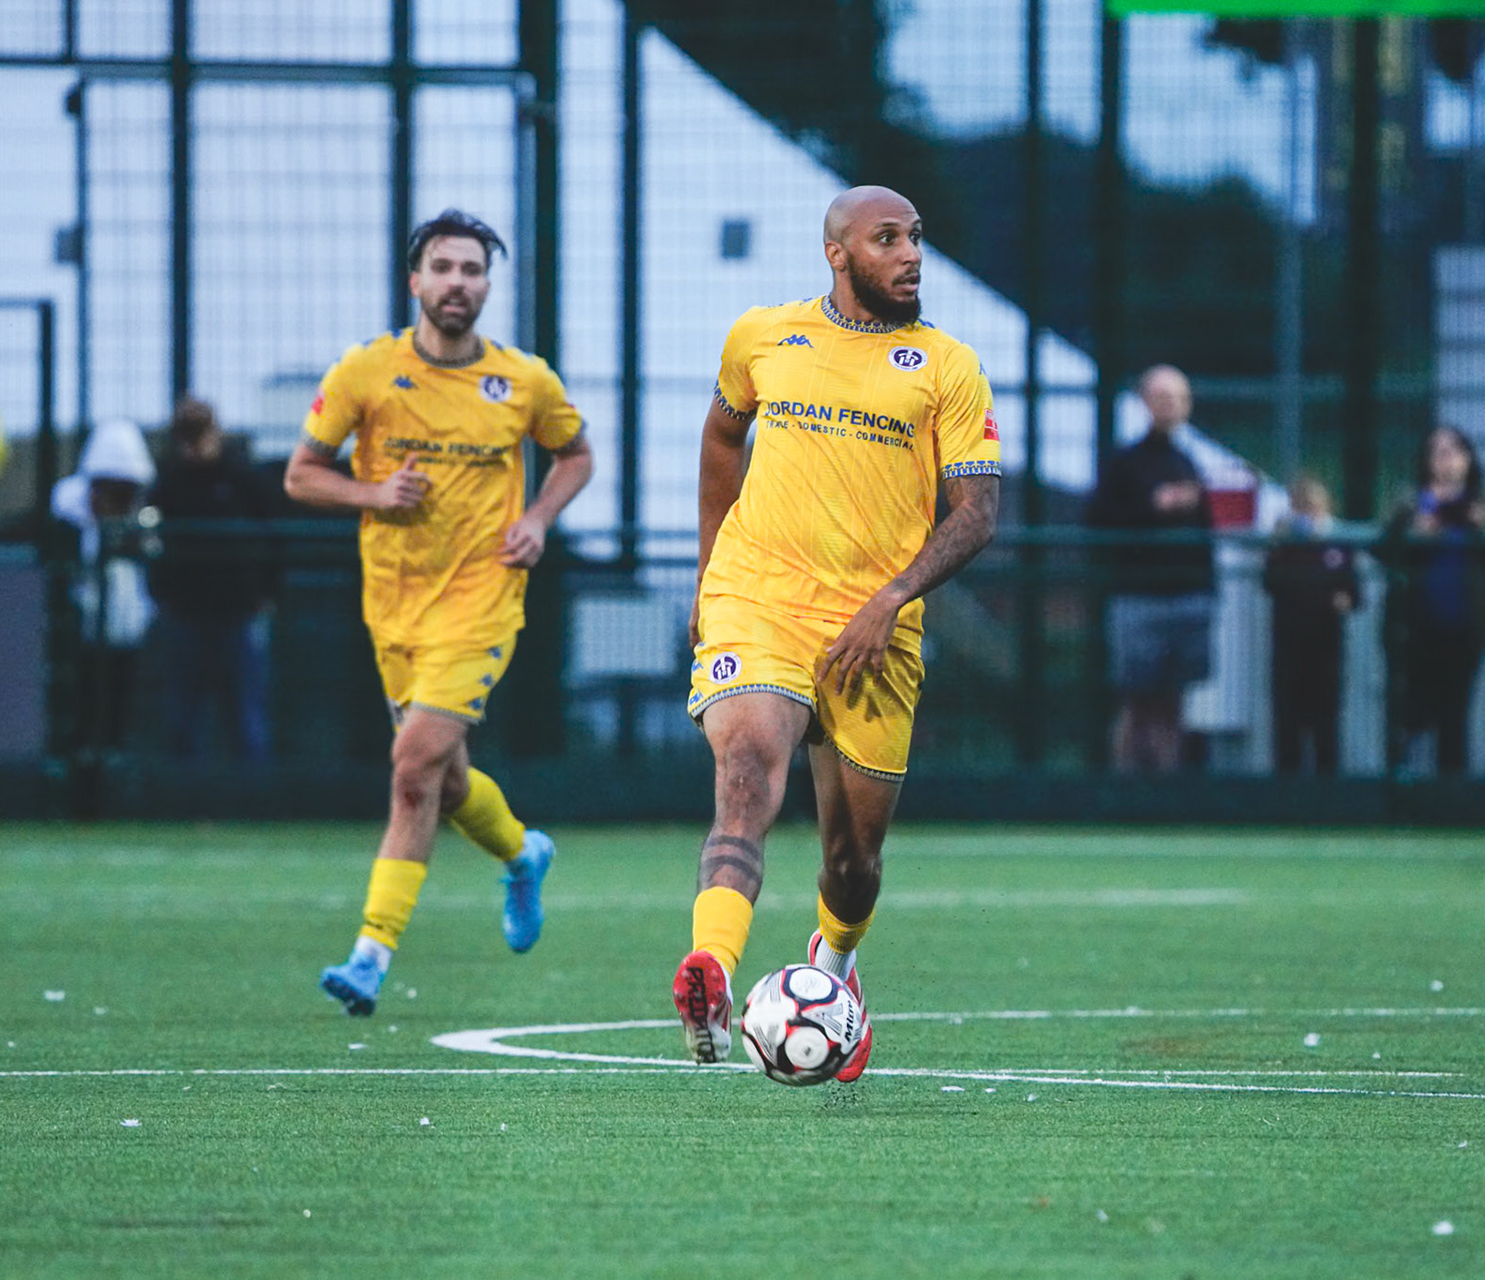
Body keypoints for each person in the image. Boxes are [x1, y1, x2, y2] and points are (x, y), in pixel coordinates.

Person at [673, 186, 1000, 1082]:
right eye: (887, 238)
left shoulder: (948, 368)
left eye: (916, 237)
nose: (910, 254)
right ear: (837, 253)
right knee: (746, 773)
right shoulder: (762, 337)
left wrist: (891, 599)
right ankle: (712, 973)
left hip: (874, 630)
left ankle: (835, 966)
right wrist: (709, 571)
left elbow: (977, 512)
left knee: (852, 864)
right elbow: (721, 439)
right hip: (759, 600)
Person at [283, 209, 595, 1016]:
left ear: (488, 285)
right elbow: (301, 475)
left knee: (413, 765)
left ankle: (370, 955)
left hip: (483, 601)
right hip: (395, 607)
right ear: (415, 281)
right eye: (444, 268)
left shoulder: (523, 380)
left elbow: (575, 454)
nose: (459, 282)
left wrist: (538, 519)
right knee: (445, 780)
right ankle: (522, 854)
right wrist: (373, 493)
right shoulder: (365, 372)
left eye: (473, 270)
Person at [1085, 365, 1216, 774]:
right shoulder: (1125, 463)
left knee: (1173, 701)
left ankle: (1166, 786)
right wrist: (1153, 507)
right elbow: (1099, 519)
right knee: (1137, 700)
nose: (1170, 405)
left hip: (1188, 595)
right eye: (1162, 397)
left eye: (1177, 398)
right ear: (1145, 402)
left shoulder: (1189, 462)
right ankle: (1124, 786)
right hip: (1139, 596)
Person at [147, 396, 276, 760]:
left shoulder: (243, 477)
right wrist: (162, 595)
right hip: (185, 614)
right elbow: (154, 541)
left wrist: (267, 593)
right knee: (183, 718)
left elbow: (273, 535)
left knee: (247, 718)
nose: (194, 446)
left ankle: (253, 791)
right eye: (186, 437)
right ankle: (185, 790)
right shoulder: (169, 482)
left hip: (239, 614)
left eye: (200, 435)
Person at [1379, 425, 1485, 775]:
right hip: (1413, 626)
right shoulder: (1410, 500)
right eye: (1437, 452)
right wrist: (1415, 534)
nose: (1445, 460)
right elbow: (1383, 548)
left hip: (1465, 625)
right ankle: (1404, 787)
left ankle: (1452, 791)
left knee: (1455, 713)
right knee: (1411, 710)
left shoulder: (1483, 501)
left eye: (1453, 452)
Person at [50, 418, 158, 754]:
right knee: (78, 698)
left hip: (125, 628)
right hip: (78, 627)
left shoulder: (143, 517)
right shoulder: (70, 510)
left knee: (120, 698)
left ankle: (114, 752)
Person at [1262, 475, 1360, 775]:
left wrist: (1344, 599)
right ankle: (1287, 785)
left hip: (1326, 642)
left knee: (1326, 716)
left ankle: (1327, 783)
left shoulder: (1339, 544)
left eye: (1314, 507)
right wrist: (1280, 544)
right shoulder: (1284, 543)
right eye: (1302, 507)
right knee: (1287, 717)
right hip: (1289, 641)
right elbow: (1271, 582)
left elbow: (1354, 593)